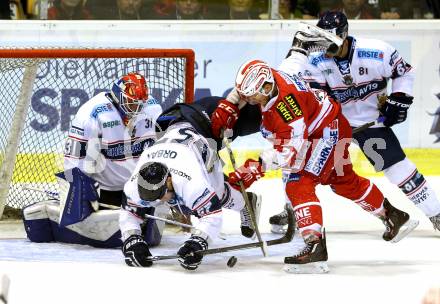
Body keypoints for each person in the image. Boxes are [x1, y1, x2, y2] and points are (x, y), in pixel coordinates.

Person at [211, 59, 418, 273]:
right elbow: (242, 89)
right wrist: (230, 104)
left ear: (267, 87)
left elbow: (287, 152)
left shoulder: (289, 108)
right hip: (327, 124)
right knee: (344, 181)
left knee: (298, 182)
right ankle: (393, 215)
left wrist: (254, 169)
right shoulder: (267, 77)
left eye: (252, 95)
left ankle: (315, 245)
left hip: (326, 133)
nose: (249, 100)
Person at [306, 11, 440, 230]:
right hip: (335, 124)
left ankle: (436, 213)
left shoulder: (377, 52)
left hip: (371, 123)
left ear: (345, 34)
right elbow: (315, 98)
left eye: (332, 43)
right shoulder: (315, 61)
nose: (326, 49)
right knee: (305, 166)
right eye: (324, 42)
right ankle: (292, 210)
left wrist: (399, 98)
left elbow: (404, 72)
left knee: (399, 169)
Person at [22, 72, 163, 248]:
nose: (136, 109)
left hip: (136, 188)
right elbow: (74, 158)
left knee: (149, 234)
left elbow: (161, 148)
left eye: (140, 104)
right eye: (132, 103)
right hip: (104, 190)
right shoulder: (93, 113)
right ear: (118, 96)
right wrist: (77, 190)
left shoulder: (152, 109)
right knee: (85, 217)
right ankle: (52, 214)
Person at [120, 100, 262, 269]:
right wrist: (131, 239)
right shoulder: (134, 186)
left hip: (203, 127)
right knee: (185, 203)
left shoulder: (190, 182)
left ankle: (246, 203)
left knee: (217, 194)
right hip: (174, 121)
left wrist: (198, 242)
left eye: (159, 196)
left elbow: (212, 214)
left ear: (170, 180)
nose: (159, 201)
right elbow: (128, 213)